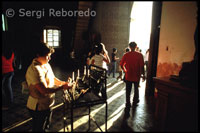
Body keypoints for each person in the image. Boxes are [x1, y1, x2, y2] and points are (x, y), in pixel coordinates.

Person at [25, 42, 74, 132]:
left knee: (46, 126)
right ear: (38, 55)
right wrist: (62, 87)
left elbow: (53, 78)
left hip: (48, 103)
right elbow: (43, 90)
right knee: (39, 128)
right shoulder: (35, 69)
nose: (49, 58)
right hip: (38, 106)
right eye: (47, 56)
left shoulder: (46, 64)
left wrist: (63, 83)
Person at [120, 42, 145, 108]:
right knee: (136, 89)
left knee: (128, 90)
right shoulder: (140, 55)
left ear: (129, 47)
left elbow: (121, 64)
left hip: (128, 75)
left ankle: (128, 102)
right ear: (136, 46)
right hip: (137, 75)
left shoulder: (126, 55)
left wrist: (125, 71)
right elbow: (142, 66)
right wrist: (144, 75)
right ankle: (135, 101)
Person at [2, 44, 15, 110]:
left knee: (5, 88)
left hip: (3, 72)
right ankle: (10, 103)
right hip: (10, 71)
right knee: (8, 88)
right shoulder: (12, 53)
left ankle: (4, 102)